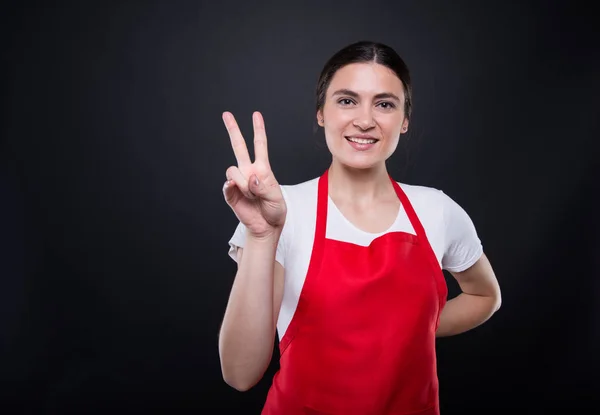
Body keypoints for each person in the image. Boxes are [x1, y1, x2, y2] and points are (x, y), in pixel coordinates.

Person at [218, 40, 502, 415]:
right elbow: (240, 374)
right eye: (347, 100)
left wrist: (407, 330)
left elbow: (486, 296)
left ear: (404, 119)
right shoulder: (280, 211)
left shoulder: (437, 210)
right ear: (321, 113)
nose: (365, 120)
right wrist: (261, 236)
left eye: (384, 104)